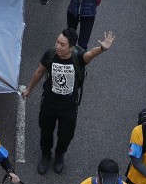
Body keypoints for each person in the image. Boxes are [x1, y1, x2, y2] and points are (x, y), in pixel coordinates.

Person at [21, 28, 116, 175]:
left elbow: (90, 54)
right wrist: (28, 89)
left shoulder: (78, 58)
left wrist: (102, 47)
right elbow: (39, 71)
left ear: (71, 46)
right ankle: (45, 154)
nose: (58, 46)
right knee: (46, 131)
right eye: (57, 42)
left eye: (62, 44)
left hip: (69, 107)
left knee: (66, 135)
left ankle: (59, 155)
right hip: (49, 103)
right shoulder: (50, 54)